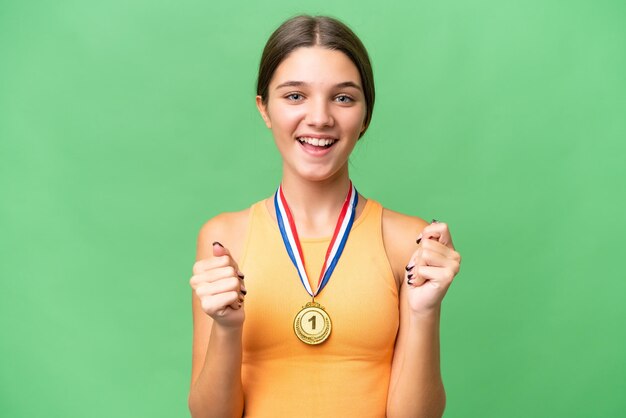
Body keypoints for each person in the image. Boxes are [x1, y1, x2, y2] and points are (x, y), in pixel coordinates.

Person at [188, 14, 462, 418]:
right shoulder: (224, 238)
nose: (319, 118)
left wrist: (425, 311)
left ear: (366, 114)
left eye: (344, 97)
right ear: (264, 108)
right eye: (295, 96)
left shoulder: (410, 242)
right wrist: (227, 328)